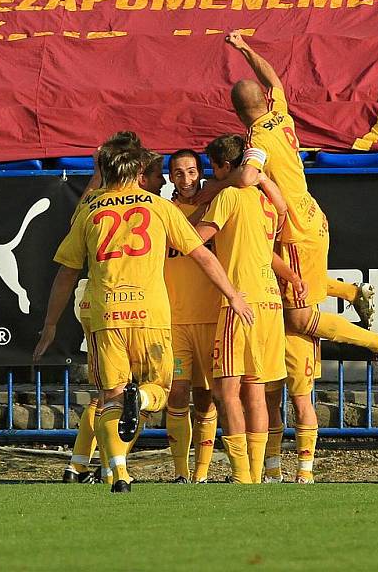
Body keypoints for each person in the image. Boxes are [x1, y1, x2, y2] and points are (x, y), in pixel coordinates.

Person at [201, 30, 378, 482]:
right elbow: (274, 80)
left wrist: (214, 187)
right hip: (313, 216)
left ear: (236, 113)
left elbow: (247, 176)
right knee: (296, 296)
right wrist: (248, 48)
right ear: (264, 101)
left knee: (300, 316)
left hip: (294, 229)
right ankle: (351, 290)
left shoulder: (256, 138)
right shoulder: (281, 117)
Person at [33, 146, 253, 493]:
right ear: (140, 173)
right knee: (160, 392)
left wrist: (50, 324)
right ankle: (145, 403)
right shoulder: (160, 207)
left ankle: (117, 474)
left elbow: (66, 272)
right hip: (151, 313)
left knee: (110, 396)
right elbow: (201, 255)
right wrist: (233, 294)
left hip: (106, 313)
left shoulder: (90, 207)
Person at [194, 135, 292, 483]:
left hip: (240, 301)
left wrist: (176, 225)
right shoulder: (266, 203)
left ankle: (241, 474)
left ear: (223, 167)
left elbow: (197, 238)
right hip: (269, 304)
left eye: (213, 168)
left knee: (226, 390)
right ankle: (257, 471)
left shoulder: (229, 195)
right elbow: (279, 218)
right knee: (257, 390)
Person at [62, 131, 142, 485]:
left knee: (111, 392)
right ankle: (111, 467)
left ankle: (79, 465)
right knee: (124, 394)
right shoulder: (140, 204)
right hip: (126, 306)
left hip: (102, 305)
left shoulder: (96, 201)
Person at [163, 150, 221, 483]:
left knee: (206, 397)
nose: (185, 179)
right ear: (170, 177)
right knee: (177, 393)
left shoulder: (216, 209)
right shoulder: (164, 212)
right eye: (178, 173)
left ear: (201, 173)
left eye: (191, 172)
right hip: (175, 320)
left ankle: (201, 473)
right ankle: (181, 472)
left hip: (211, 318)